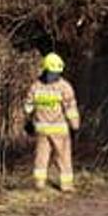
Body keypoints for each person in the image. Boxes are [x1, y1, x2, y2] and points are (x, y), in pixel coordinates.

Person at [23, 53, 81, 191]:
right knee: (63, 157)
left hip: (41, 129)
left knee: (41, 157)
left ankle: (39, 183)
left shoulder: (35, 86)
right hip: (59, 130)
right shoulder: (64, 87)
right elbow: (70, 109)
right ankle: (66, 185)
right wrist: (75, 126)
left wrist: (28, 122)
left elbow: (28, 107)